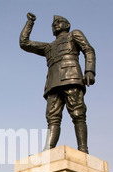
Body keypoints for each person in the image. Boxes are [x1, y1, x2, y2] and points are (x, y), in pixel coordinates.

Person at [20, 13, 96, 154]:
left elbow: (88, 50)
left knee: (78, 113)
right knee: (52, 117)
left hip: (71, 77)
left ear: (67, 25)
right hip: (53, 83)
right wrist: (30, 23)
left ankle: (83, 149)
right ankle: (48, 149)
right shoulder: (48, 47)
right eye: (53, 24)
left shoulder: (74, 35)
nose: (55, 24)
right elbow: (24, 43)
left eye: (59, 22)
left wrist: (89, 71)